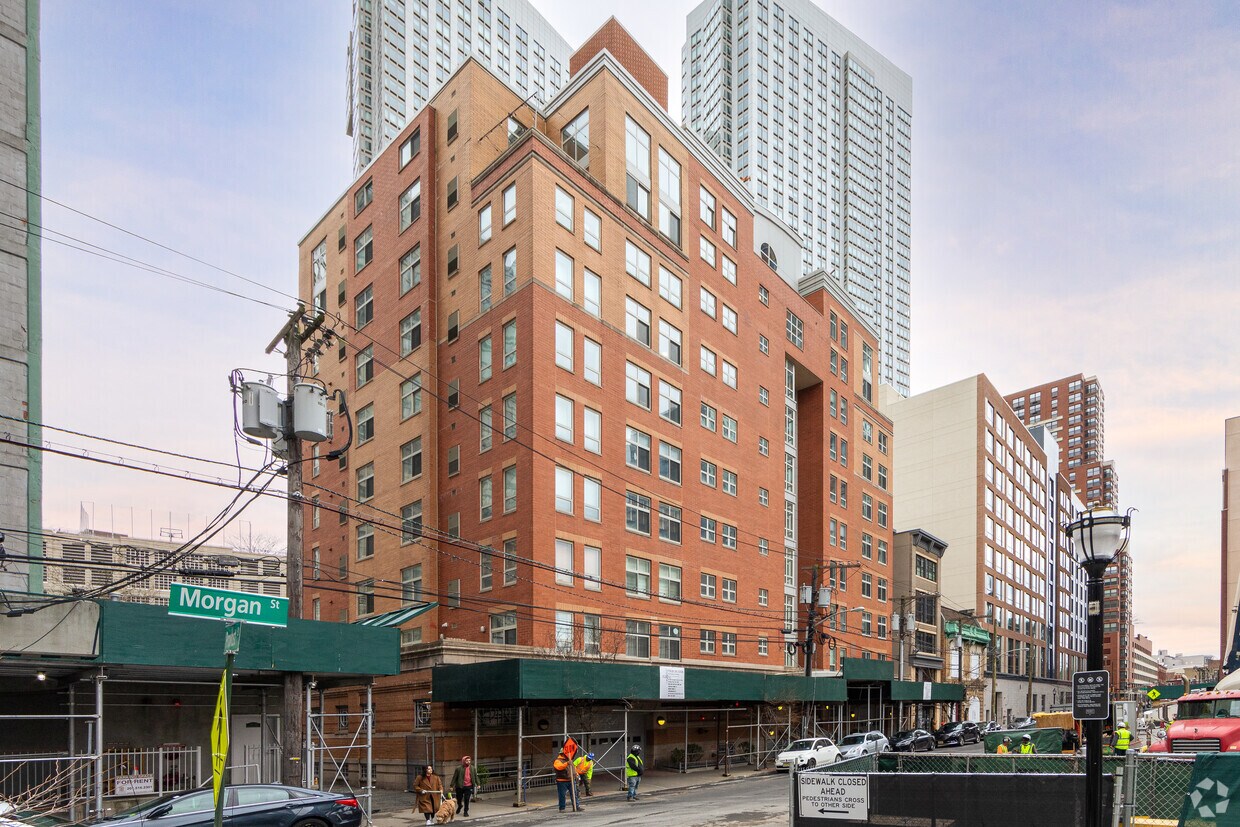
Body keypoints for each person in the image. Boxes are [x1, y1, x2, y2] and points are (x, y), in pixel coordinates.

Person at [553, 747, 574, 812]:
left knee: (574, 794)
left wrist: (576, 774)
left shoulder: (569, 760)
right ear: (562, 754)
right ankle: (562, 808)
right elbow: (559, 767)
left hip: (570, 780)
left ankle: (576, 806)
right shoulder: (557, 761)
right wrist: (567, 763)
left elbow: (573, 768)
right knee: (562, 795)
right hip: (562, 781)